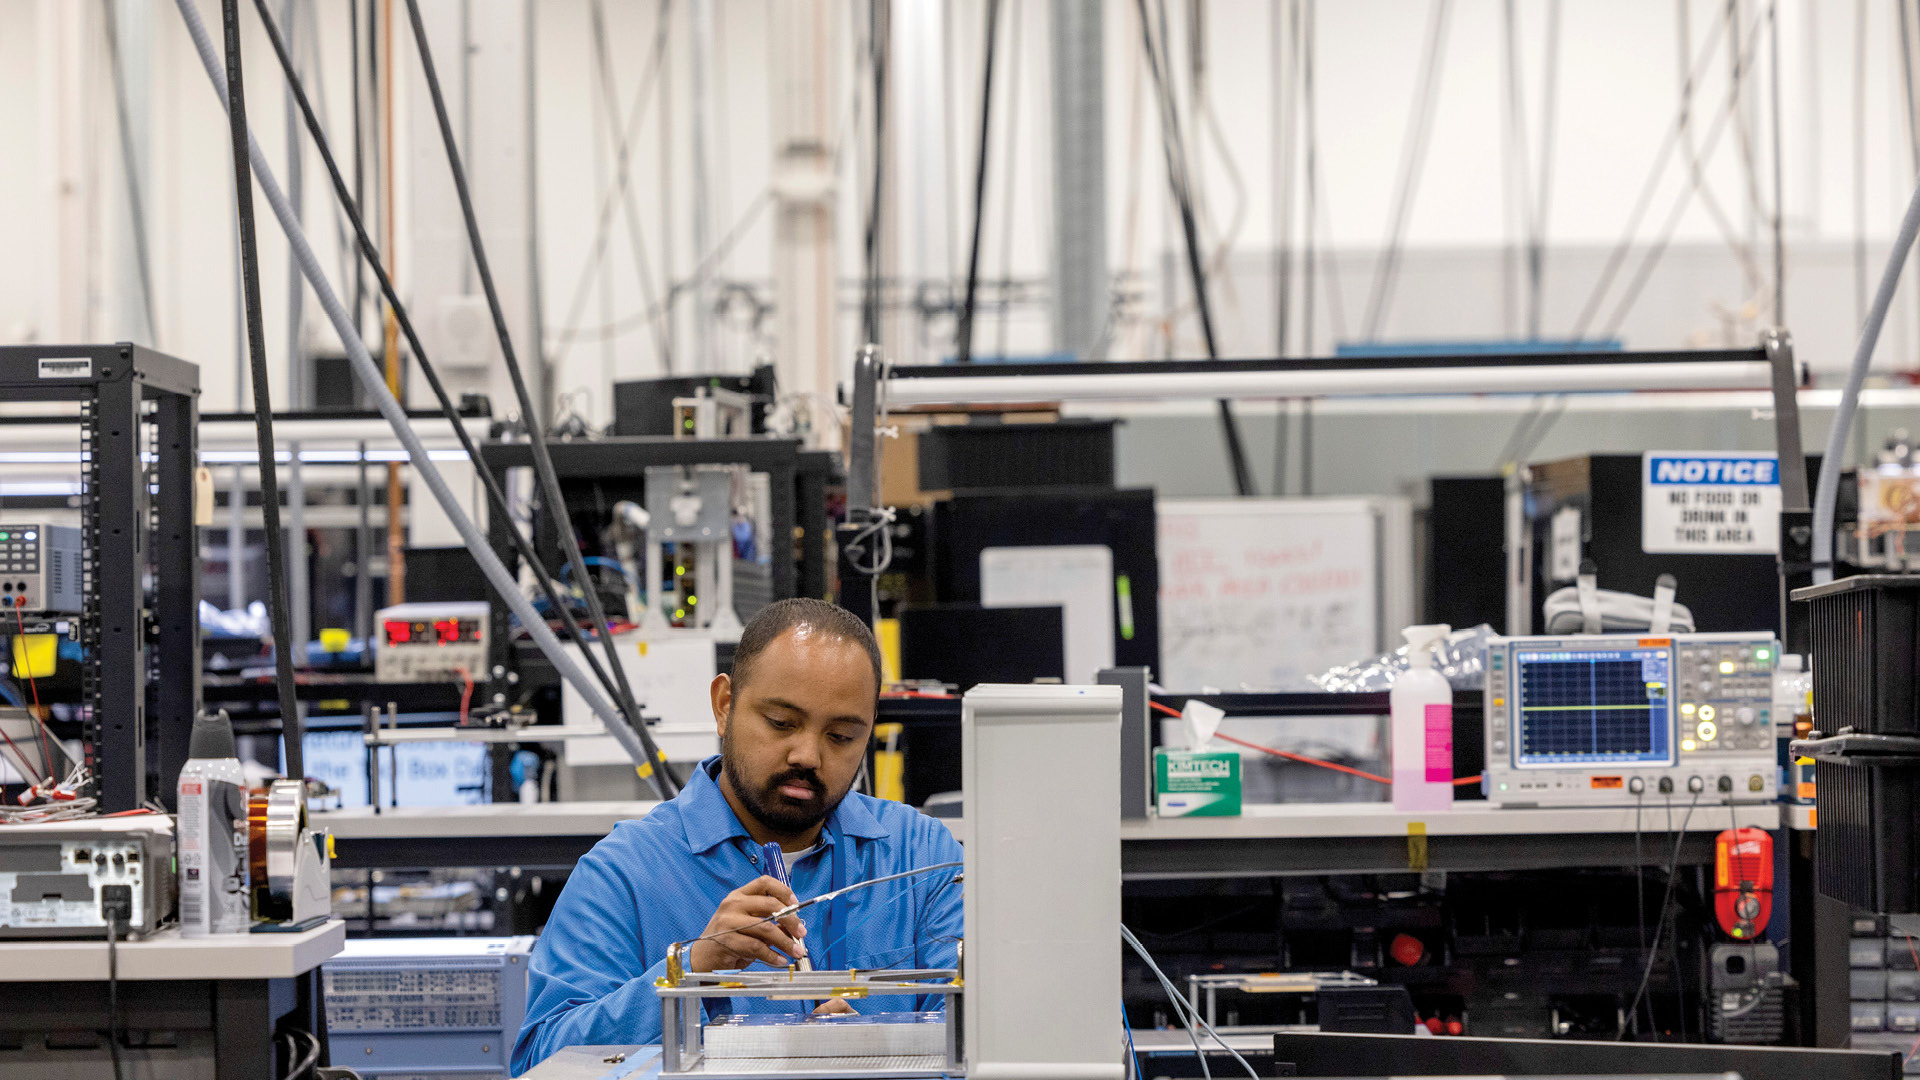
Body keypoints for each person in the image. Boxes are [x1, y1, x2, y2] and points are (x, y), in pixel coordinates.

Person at [512, 599, 962, 1073]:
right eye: (782, 723)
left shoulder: (919, 857)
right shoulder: (626, 873)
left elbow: (984, 1038)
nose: (807, 754)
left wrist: (876, 1050)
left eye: (842, 736)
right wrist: (691, 969)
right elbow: (543, 1060)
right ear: (724, 706)